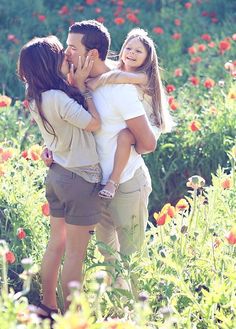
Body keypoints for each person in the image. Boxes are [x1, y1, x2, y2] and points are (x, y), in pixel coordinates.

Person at [42, 20, 157, 290]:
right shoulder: (76, 83)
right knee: (108, 256)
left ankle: (140, 315)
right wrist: (51, 147)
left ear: (91, 54)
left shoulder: (120, 91)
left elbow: (149, 143)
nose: (65, 52)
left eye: (71, 47)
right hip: (94, 185)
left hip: (126, 184)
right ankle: (120, 312)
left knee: (132, 259)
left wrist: (127, 145)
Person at [17, 35, 102, 316]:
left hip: (57, 176)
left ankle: (48, 306)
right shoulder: (59, 99)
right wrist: (84, 91)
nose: (67, 58)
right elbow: (94, 124)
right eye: (61, 56)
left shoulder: (36, 98)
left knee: (56, 245)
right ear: (49, 64)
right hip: (80, 179)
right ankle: (73, 317)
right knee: (75, 254)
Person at [86, 28, 175, 199]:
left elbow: (116, 77)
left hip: (147, 127)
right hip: (132, 123)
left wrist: (96, 81)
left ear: (147, 58)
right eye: (128, 48)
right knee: (123, 137)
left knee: (125, 137)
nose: (132, 53)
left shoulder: (144, 77)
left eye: (138, 51)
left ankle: (113, 182)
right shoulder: (116, 68)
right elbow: (113, 71)